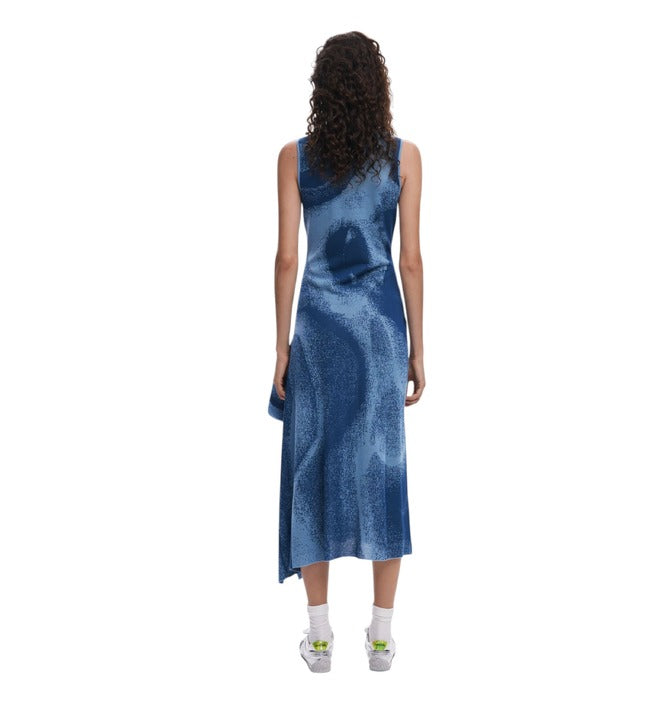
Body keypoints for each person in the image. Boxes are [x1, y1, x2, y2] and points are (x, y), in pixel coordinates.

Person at [267, 31, 425, 673]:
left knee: (313, 468)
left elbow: (286, 258)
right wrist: (418, 348)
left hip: (318, 333)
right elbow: (410, 260)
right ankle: (381, 637)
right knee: (382, 467)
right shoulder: (404, 157)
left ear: (321, 90)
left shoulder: (294, 158)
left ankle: (319, 636)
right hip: (381, 332)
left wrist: (279, 347)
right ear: (378, 89)